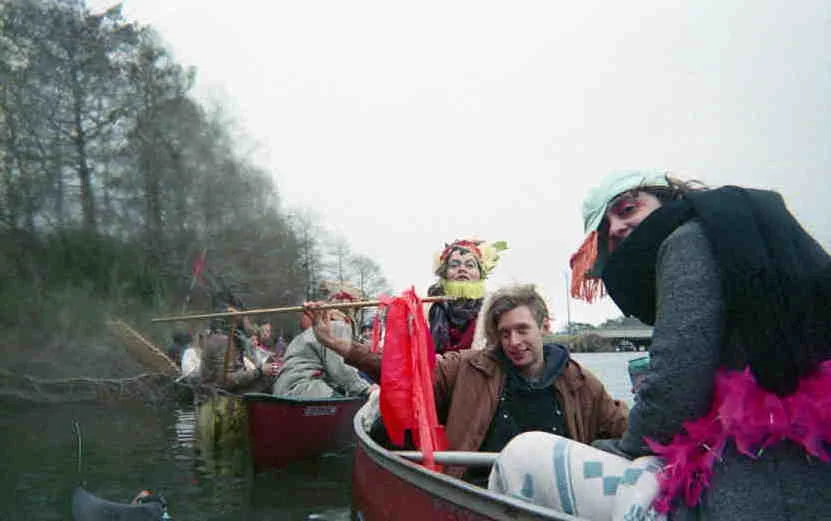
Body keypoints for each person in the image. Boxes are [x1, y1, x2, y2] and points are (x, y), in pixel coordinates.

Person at [492, 170, 831, 520]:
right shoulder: (746, 238)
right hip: (801, 478)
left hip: (747, 494)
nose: (618, 229)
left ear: (668, 200)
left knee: (523, 454)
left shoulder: (687, 241)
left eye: (627, 210)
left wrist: (623, 449)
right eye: (606, 231)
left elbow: (674, 390)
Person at [311, 283, 628, 483]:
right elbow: (410, 375)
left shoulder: (581, 382)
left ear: (543, 326)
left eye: (522, 330)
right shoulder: (467, 367)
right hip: (474, 490)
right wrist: (349, 350)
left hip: (553, 499)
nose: (513, 342)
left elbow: (623, 428)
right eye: (505, 333)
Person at [272, 289, 373, 399]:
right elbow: (339, 368)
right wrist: (365, 389)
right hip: (306, 389)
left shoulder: (309, 333)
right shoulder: (338, 325)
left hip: (283, 390)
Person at [427, 238, 507, 353]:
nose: (462, 269)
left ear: (480, 274)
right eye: (454, 265)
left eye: (470, 265)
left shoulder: (493, 308)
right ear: (444, 273)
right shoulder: (428, 308)